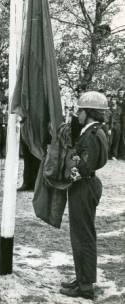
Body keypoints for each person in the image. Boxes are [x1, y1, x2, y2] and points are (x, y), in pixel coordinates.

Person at [59, 91, 109, 300]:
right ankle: (82, 278)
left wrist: (68, 169)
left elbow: (84, 166)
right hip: (88, 185)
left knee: (83, 236)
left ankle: (85, 285)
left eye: (80, 110)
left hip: (83, 186)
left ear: (88, 112)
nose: (77, 114)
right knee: (80, 234)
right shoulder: (95, 130)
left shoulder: (90, 134)